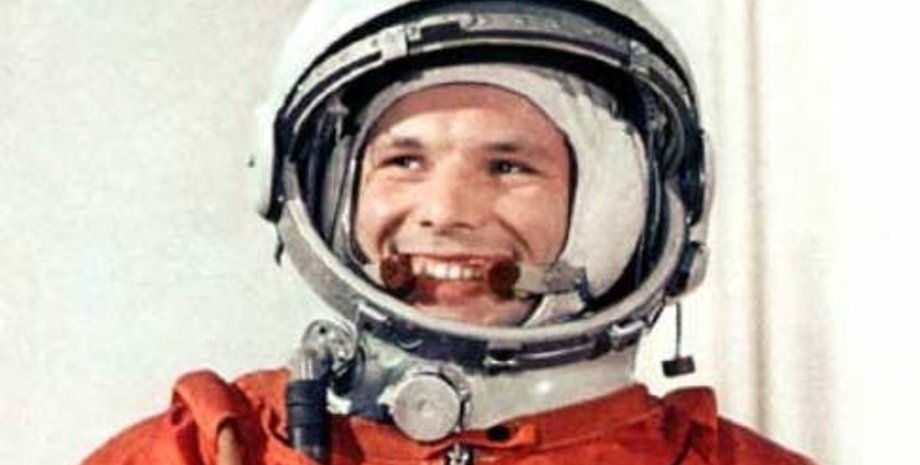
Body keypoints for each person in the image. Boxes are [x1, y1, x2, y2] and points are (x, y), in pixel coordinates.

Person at [83, 1, 816, 464]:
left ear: (614, 209)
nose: (446, 210)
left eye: (508, 166)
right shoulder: (207, 449)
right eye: (404, 160)